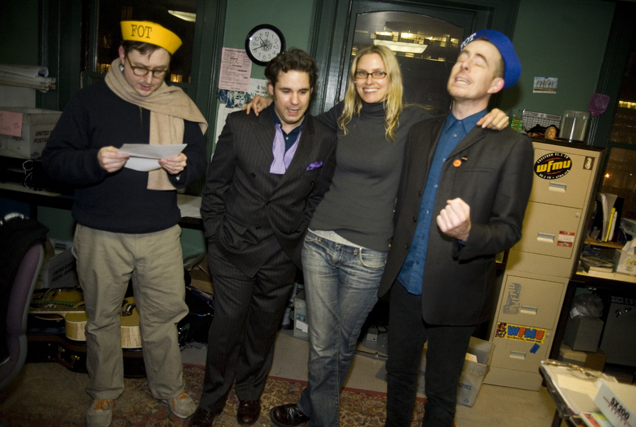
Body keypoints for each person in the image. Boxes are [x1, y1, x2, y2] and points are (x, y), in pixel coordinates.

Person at [247, 45, 509, 427]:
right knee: (322, 346)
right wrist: (266, 104)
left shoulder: (414, 121)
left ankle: (309, 404)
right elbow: (296, 118)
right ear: (353, 78)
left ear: (391, 77)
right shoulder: (342, 114)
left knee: (340, 345)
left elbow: (461, 125)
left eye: (378, 73)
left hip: (369, 253)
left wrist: (494, 115)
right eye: (361, 73)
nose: (369, 80)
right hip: (320, 241)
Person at [42, 20, 208, 427]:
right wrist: (94, 161)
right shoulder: (89, 101)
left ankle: (170, 387)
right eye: (139, 68)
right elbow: (54, 161)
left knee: (163, 318)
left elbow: (200, 162)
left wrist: (184, 167)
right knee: (102, 318)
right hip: (101, 234)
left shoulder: (178, 103)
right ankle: (103, 393)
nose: (149, 80)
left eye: (159, 72)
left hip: (160, 234)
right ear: (121, 56)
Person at [377, 30, 534, 427]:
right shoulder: (421, 132)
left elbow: (509, 230)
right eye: (463, 57)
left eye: (479, 61)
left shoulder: (510, 145)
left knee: (442, 393)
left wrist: (467, 232)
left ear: (496, 85)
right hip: (405, 283)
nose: (464, 64)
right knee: (398, 377)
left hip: (456, 290)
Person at [190, 48, 337, 427]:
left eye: (302, 91)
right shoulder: (241, 124)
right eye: (286, 91)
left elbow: (318, 195)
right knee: (226, 329)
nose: (294, 101)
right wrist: (215, 238)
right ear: (270, 89)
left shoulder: (324, 137)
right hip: (232, 248)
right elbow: (215, 186)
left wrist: (298, 236)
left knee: (262, 330)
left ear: (312, 91)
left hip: (282, 253)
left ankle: (250, 394)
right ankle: (211, 399)